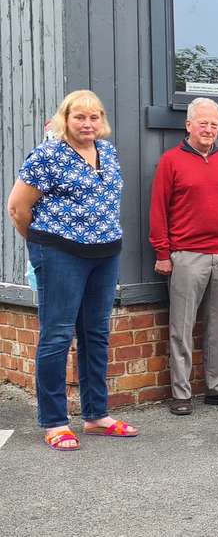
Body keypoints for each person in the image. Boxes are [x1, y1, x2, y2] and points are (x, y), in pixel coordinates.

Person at [7, 90, 139, 450]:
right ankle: (54, 421)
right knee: (58, 335)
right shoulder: (47, 155)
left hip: (106, 253)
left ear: (102, 121)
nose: (88, 124)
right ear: (65, 118)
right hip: (60, 253)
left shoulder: (107, 152)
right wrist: (42, 246)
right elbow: (18, 209)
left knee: (95, 334)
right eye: (80, 117)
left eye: (94, 117)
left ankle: (96, 416)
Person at [149, 97, 218, 415]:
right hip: (186, 256)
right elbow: (158, 210)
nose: (208, 129)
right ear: (188, 125)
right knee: (182, 326)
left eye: (214, 125)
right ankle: (181, 394)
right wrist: (162, 253)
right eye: (202, 123)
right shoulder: (171, 161)